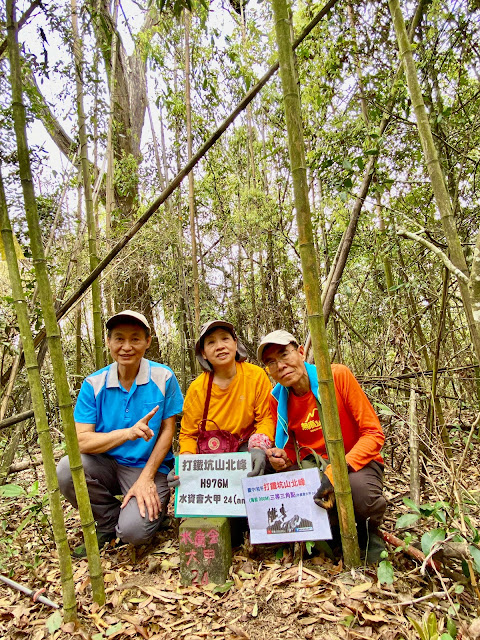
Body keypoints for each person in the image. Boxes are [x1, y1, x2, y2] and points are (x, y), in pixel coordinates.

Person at [57, 310, 183, 558]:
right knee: (66, 469)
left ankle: (136, 519)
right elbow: (80, 441)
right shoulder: (94, 383)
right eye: (119, 339)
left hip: (149, 466)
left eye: (135, 339)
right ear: (108, 342)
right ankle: (107, 525)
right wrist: (127, 433)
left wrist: (146, 478)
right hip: (106, 464)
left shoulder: (163, 377)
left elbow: (169, 429)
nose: (127, 347)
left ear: (148, 342)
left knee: (134, 534)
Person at [257, 330, 386, 562]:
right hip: (314, 467)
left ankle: (368, 538)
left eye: (284, 354)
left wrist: (338, 470)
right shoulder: (277, 398)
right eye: (271, 363)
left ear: (301, 352)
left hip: (357, 463)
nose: (281, 365)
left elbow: (373, 434)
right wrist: (281, 459)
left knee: (358, 492)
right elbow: (291, 452)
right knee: (267, 476)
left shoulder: (336, 376)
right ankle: (327, 539)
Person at [170, 320, 275, 473]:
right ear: (204, 353)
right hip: (211, 456)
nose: (220, 346)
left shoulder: (256, 376)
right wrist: (185, 464)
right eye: (211, 342)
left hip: (248, 450)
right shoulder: (198, 388)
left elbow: (266, 418)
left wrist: (258, 446)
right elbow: (189, 434)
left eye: (225, 338)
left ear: (235, 343)